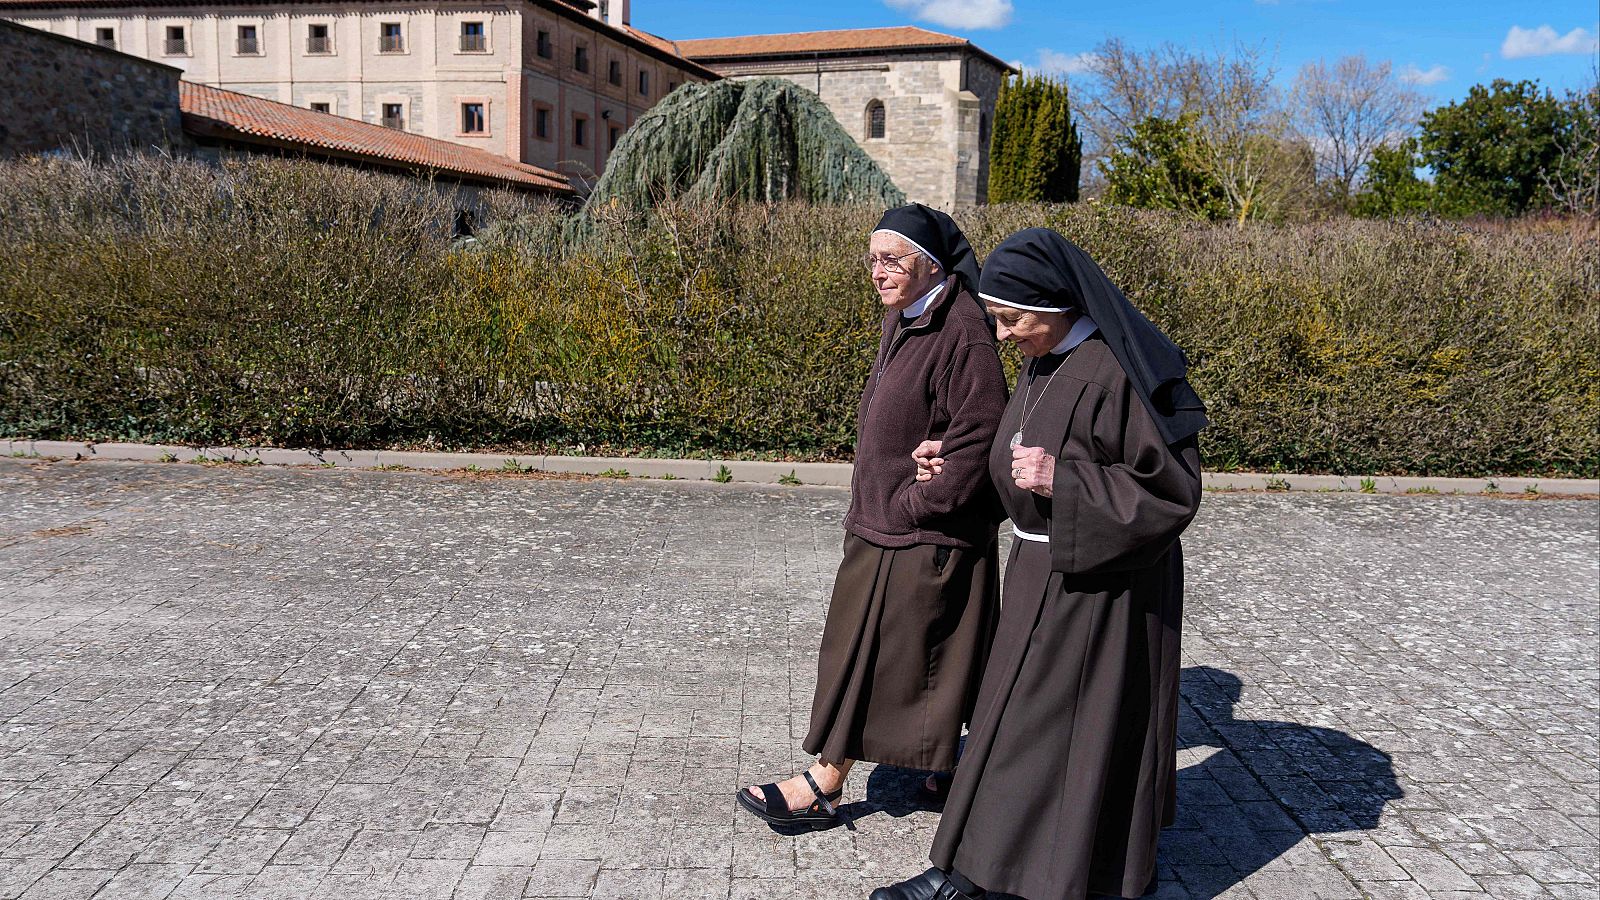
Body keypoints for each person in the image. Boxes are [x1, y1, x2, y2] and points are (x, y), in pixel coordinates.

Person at [872, 227, 1208, 900]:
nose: (1000, 334)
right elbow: (1019, 458)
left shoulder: (1124, 370)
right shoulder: (1044, 358)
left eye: (1011, 318)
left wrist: (1067, 481)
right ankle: (979, 866)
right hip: (1039, 575)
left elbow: (1174, 491)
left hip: (1104, 591)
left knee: (1052, 731)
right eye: (995, 317)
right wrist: (958, 464)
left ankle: (992, 875)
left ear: (1057, 305)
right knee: (1014, 723)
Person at [737, 204, 1008, 828]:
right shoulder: (908, 313)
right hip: (886, 521)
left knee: (876, 656)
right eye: (874, 260)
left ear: (932, 265)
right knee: (932, 653)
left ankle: (825, 782)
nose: (879, 273)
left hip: (922, 530)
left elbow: (980, 434)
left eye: (894, 261)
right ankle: (951, 769)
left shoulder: (963, 330)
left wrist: (916, 504)